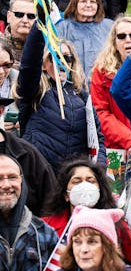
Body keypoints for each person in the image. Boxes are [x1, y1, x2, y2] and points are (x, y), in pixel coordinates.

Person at [17, 25, 100, 169]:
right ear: (43, 64)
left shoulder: (82, 96)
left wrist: (99, 169)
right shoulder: (36, 91)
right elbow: (29, 66)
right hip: (39, 174)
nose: (61, 61)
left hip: (71, 177)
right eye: (54, 56)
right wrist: (39, 28)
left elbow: (98, 138)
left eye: (67, 58)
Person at [90, 17, 131, 152]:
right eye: (121, 36)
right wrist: (128, 139)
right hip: (115, 147)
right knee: (116, 174)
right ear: (114, 42)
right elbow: (100, 112)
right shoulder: (101, 71)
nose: (128, 40)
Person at [55, 0, 114, 76]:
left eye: (93, 2)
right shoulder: (62, 28)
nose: (88, 5)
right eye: (83, 1)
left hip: (102, 82)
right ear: (75, 4)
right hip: (72, 81)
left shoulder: (109, 26)